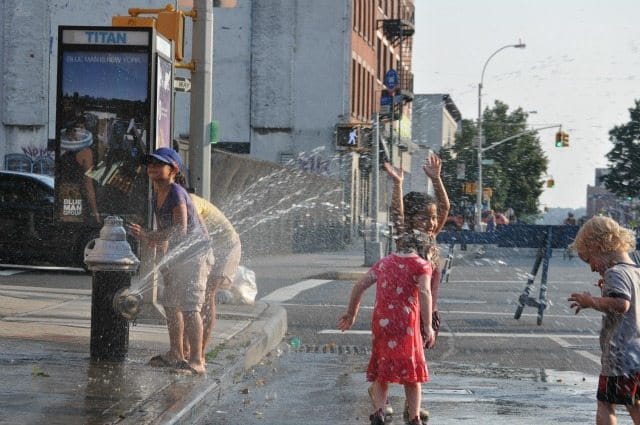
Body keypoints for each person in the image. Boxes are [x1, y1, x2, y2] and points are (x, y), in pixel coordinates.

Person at [128, 147, 212, 375]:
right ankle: (176, 352)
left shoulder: (176, 192)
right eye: (150, 164)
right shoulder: (157, 194)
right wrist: (164, 261)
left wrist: (148, 235)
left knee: (189, 307)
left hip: (195, 256)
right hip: (179, 256)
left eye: (158, 164)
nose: (152, 167)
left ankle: (196, 360)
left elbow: (180, 230)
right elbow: (166, 232)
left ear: (173, 169)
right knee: (170, 303)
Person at [338, 233, 435, 425]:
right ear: (423, 249)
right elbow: (424, 291)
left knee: (382, 369)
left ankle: (379, 412)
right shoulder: (422, 265)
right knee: (412, 370)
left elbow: (359, 285)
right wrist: (428, 326)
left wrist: (351, 314)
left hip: (382, 322)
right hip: (407, 324)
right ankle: (414, 416)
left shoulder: (384, 263)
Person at [382, 153, 450, 421]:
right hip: (401, 310)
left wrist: (436, 180)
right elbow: (396, 212)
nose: (433, 223)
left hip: (424, 309)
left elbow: (445, 207)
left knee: (416, 358)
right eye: (426, 218)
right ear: (410, 220)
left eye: (433, 219)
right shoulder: (405, 239)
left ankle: (411, 405)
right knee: (393, 355)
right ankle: (382, 397)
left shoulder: (431, 238)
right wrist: (398, 185)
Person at [567, 216, 640, 425]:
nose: (591, 268)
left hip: (620, 357)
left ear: (600, 247)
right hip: (637, 355)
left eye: (589, 260)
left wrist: (592, 301)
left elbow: (621, 304)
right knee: (634, 402)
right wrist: (605, 293)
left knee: (605, 404)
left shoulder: (615, 272)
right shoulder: (635, 271)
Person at [180, 186, 242, 360]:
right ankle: (186, 349)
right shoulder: (177, 201)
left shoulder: (189, 200)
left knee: (206, 294)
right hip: (210, 247)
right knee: (193, 295)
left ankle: (200, 352)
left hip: (226, 246)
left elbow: (200, 231)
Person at [58, 116, 100, 224]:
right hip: (74, 196)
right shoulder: (85, 152)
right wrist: (96, 213)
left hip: (61, 194)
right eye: (78, 129)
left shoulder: (62, 149)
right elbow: (88, 185)